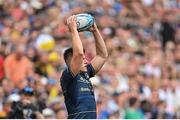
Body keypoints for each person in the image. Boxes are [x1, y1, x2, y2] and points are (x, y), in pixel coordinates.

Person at [60, 15, 108, 119]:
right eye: (83, 59)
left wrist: (95, 31)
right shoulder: (68, 76)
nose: (86, 60)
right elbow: (79, 54)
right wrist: (73, 30)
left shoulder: (86, 73)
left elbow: (102, 56)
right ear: (72, 62)